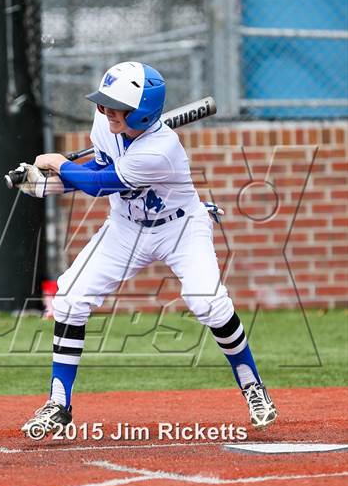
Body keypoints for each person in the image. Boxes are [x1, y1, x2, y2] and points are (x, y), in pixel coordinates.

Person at [16, 61, 277, 440]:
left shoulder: (161, 150)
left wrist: (57, 164)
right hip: (126, 229)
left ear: (142, 113)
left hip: (181, 228)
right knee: (70, 297)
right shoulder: (104, 123)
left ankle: (252, 384)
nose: (105, 113)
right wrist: (45, 185)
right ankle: (59, 403)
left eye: (115, 107)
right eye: (103, 104)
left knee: (207, 301)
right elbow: (100, 172)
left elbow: (101, 183)